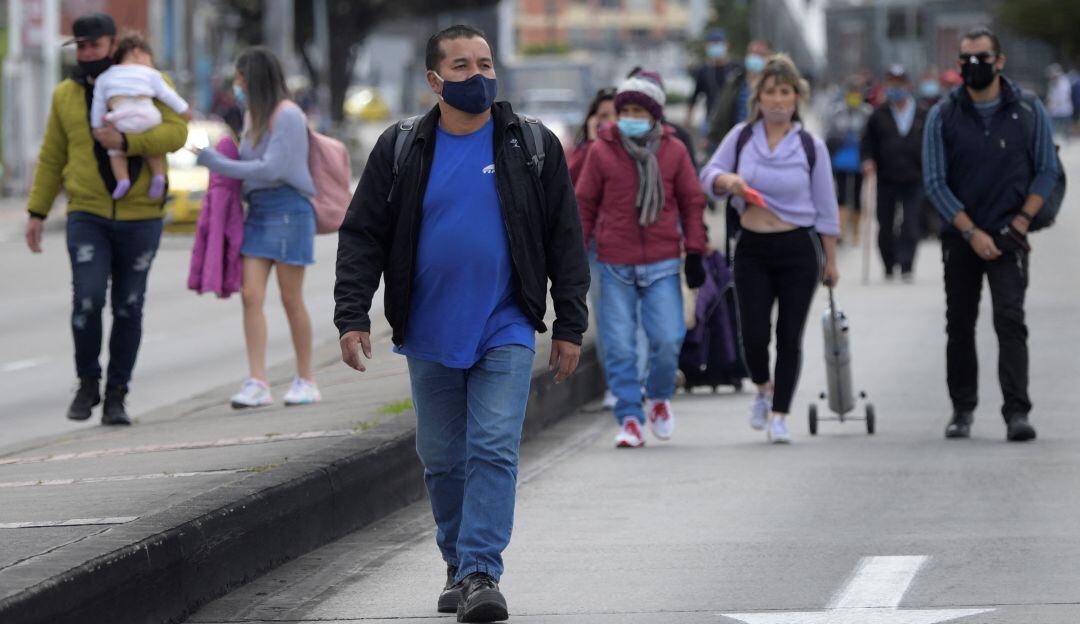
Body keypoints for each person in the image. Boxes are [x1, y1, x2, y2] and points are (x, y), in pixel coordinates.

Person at [334, 25, 589, 622]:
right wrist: (352, 313)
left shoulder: (532, 145)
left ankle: (480, 571)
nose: (478, 76)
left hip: (507, 322)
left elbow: (565, 238)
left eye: (485, 63)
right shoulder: (402, 148)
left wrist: (570, 324)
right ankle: (456, 560)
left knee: (493, 447)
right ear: (434, 80)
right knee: (443, 457)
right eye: (461, 66)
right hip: (428, 329)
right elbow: (363, 233)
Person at [24, 12, 188, 426]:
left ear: (113, 44)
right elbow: (52, 156)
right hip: (88, 214)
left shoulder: (146, 78)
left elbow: (178, 132)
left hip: (141, 215)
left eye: (93, 46)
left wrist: (127, 141)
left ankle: (117, 394)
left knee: (129, 307)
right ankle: (87, 381)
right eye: (79, 47)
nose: (85, 53)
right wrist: (37, 212)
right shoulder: (65, 94)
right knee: (88, 298)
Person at [923, 28, 1057, 442]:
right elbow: (935, 181)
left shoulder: (1028, 109)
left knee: (1010, 321)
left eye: (981, 58)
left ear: (999, 61)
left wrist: (1020, 223)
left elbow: (1047, 170)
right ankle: (962, 410)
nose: (973, 66)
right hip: (961, 237)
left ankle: (1017, 411)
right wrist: (970, 232)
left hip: (1010, 234)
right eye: (966, 59)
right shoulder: (942, 114)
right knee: (960, 323)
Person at [700, 54, 840, 444]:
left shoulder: (810, 146)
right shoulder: (742, 137)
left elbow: (826, 208)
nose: (777, 100)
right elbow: (707, 175)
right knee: (754, 333)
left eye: (785, 92)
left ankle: (780, 414)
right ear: (758, 98)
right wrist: (727, 181)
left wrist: (830, 260)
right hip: (752, 248)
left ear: (797, 97)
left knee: (789, 335)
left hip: (798, 249)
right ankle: (762, 387)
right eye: (770, 92)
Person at [576, 70, 708, 449]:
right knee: (619, 346)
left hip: (663, 262)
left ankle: (659, 395)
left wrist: (695, 250)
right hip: (614, 262)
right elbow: (583, 205)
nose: (630, 117)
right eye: (625, 111)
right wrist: (576, 257)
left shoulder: (673, 151)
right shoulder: (602, 150)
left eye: (639, 111)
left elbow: (692, 202)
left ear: (654, 114)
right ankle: (630, 417)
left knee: (668, 339)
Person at [194, 47, 321, 408]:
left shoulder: (288, 115)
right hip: (260, 211)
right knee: (250, 295)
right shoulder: (253, 115)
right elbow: (253, 169)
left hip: (288, 209)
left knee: (290, 298)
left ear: (254, 78)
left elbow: (271, 168)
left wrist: (218, 163)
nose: (236, 84)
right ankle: (257, 381)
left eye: (240, 77)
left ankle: (306, 378)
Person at [91, 31, 192, 201]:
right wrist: (185, 110)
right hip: (148, 115)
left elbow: (99, 104)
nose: (151, 65)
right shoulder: (151, 74)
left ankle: (122, 180)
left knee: (115, 150)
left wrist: (97, 127)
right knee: (154, 147)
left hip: (120, 118)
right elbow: (168, 95)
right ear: (137, 51)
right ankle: (158, 176)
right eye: (150, 60)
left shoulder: (104, 77)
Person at [861, 65, 927, 281]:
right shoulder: (878, 114)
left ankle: (906, 264)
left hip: (914, 178)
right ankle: (889, 263)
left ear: (908, 86)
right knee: (885, 223)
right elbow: (867, 143)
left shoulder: (922, 113)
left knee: (911, 223)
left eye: (900, 83)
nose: (896, 88)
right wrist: (867, 160)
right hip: (886, 178)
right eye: (892, 83)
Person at [705, 39, 774, 154]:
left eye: (761, 55)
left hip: (762, 144)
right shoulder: (736, 80)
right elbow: (722, 110)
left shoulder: (774, 86)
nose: (755, 58)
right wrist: (712, 136)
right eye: (753, 53)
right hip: (734, 141)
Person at [826, 79, 872, 245]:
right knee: (842, 193)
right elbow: (829, 135)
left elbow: (871, 136)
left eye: (857, 92)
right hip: (841, 159)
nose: (854, 95)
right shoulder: (837, 111)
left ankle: (856, 232)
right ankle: (841, 230)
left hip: (859, 159)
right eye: (852, 92)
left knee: (857, 194)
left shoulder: (867, 112)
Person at [686, 28, 734, 138]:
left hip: (733, 121)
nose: (715, 47)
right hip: (711, 121)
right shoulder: (704, 71)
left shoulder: (736, 68)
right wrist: (688, 119)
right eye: (712, 44)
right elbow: (694, 96)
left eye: (718, 43)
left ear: (727, 45)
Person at [567, 87, 616, 184]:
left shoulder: (635, 150)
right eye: (604, 116)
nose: (612, 121)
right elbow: (571, 179)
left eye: (617, 115)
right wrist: (592, 142)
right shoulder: (583, 150)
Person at [1045, 64, 1074, 140]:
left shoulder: (1065, 81)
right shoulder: (1052, 83)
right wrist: (1049, 104)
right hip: (1055, 108)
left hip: (1064, 106)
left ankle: (1066, 139)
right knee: (1053, 124)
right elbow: (1050, 95)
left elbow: (1065, 95)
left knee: (1066, 125)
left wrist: (1054, 103)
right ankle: (1052, 138)